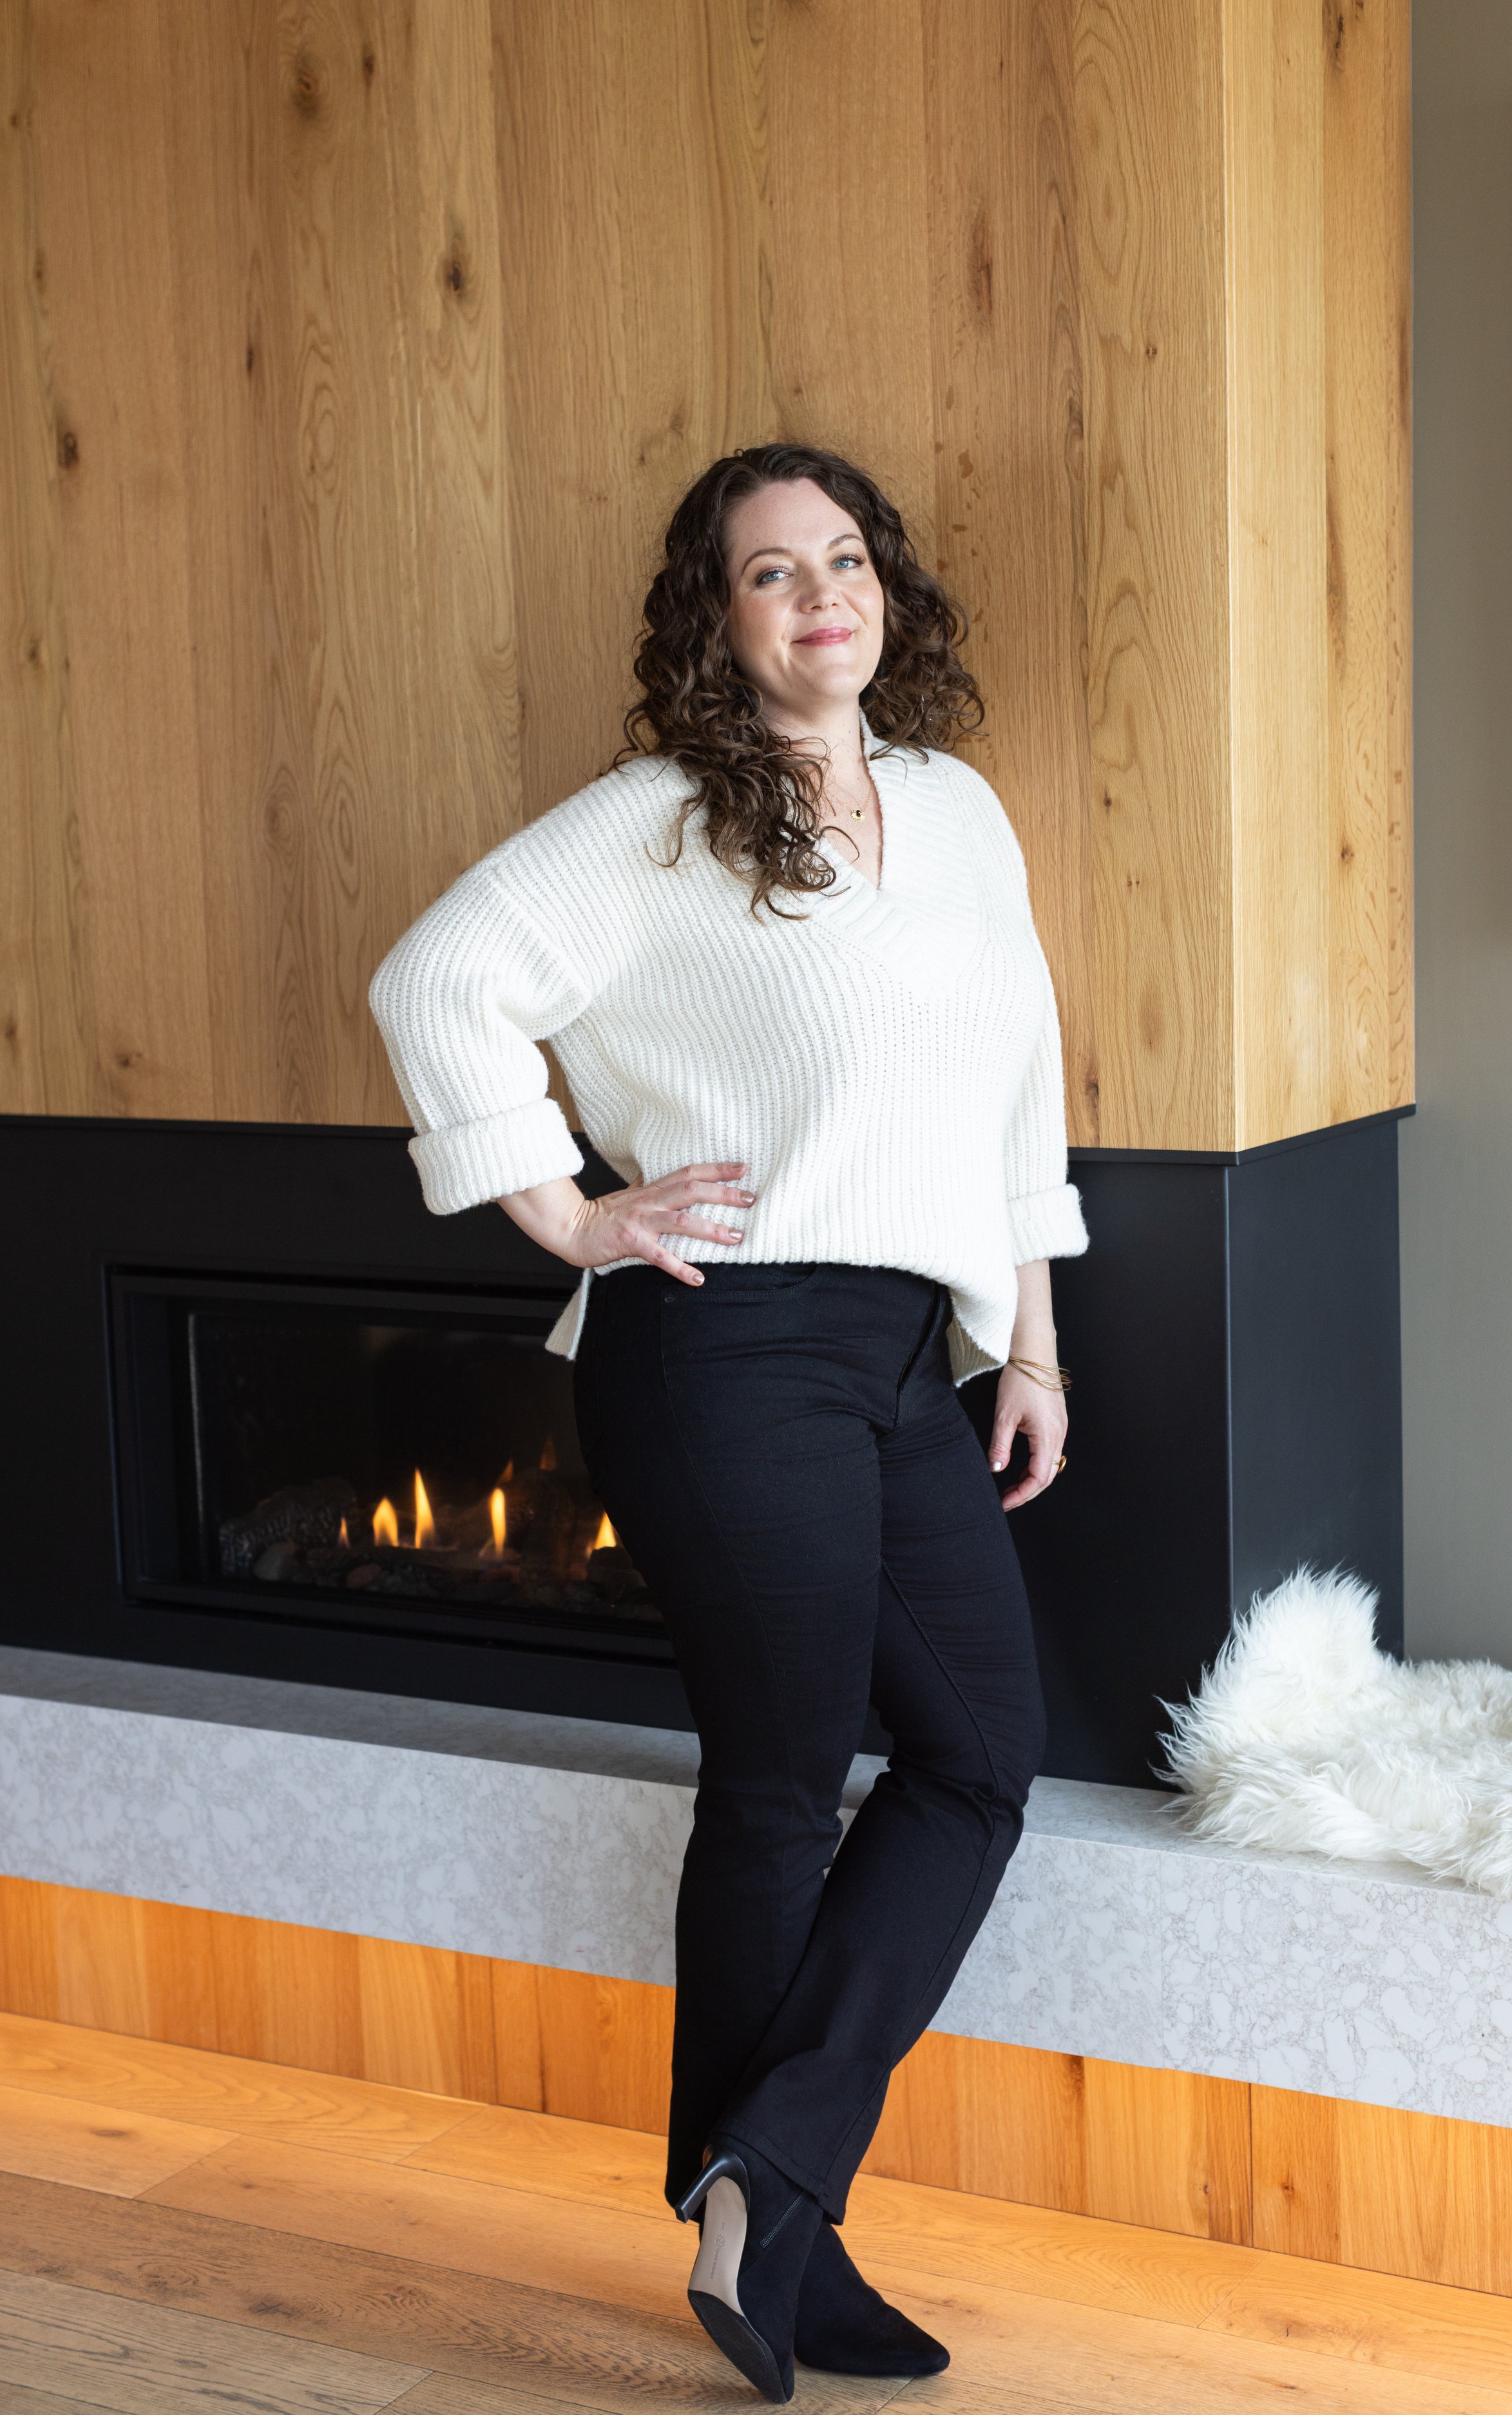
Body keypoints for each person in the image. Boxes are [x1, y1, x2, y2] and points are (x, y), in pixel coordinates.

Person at [370, 443, 1087, 2402]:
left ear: (885, 590)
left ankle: (771, 2182)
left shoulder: (955, 811)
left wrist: (1027, 1345)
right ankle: (773, 2222)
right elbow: (434, 979)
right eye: (771, 573)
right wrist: (565, 1212)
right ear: (719, 617)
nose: (819, 596)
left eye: (842, 559)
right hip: (724, 1343)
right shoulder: (660, 822)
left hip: (908, 1357)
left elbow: (1018, 1093)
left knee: (978, 1758)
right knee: (781, 1784)